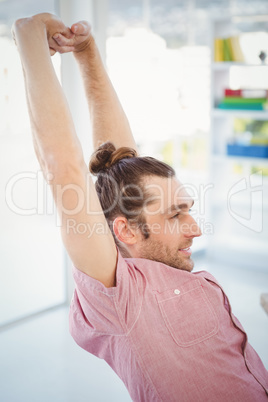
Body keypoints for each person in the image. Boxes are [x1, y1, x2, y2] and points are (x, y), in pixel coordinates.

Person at [13, 13, 268, 402]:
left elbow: (116, 158)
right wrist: (29, 38)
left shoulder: (163, 264)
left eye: (187, 209)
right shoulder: (123, 296)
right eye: (174, 214)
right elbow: (62, 167)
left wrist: (87, 54)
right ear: (125, 231)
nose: (196, 228)